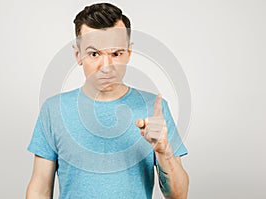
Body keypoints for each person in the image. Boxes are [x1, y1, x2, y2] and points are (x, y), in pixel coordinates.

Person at [26, 3, 189, 199]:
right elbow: (40, 189)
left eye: (116, 54)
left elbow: (178, 195)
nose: (106, 66)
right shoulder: (53, 110)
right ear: (78, 55)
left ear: (128, 53)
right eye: (94, 54)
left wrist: (164, 152)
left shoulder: (154, 110)